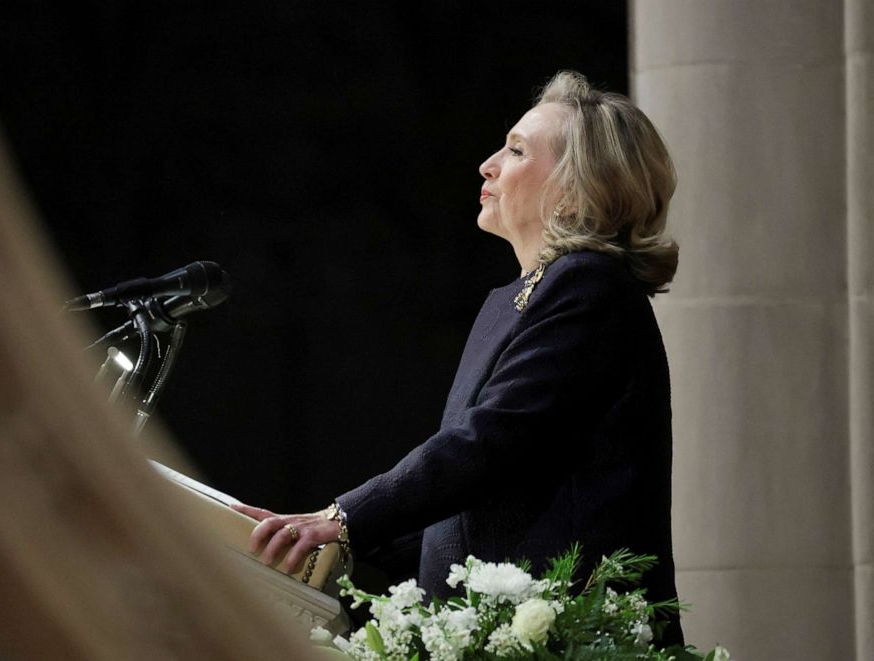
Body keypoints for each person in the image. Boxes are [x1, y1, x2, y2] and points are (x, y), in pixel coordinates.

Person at [233, 70, 683, 645]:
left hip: (572, 635)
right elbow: (479, 499)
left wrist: (343, 519)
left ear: (575, 186)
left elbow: (490, 441)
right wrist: (332, 546)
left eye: (516, 150)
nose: (487, 164)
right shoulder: (520, 298)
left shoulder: (589, 287)